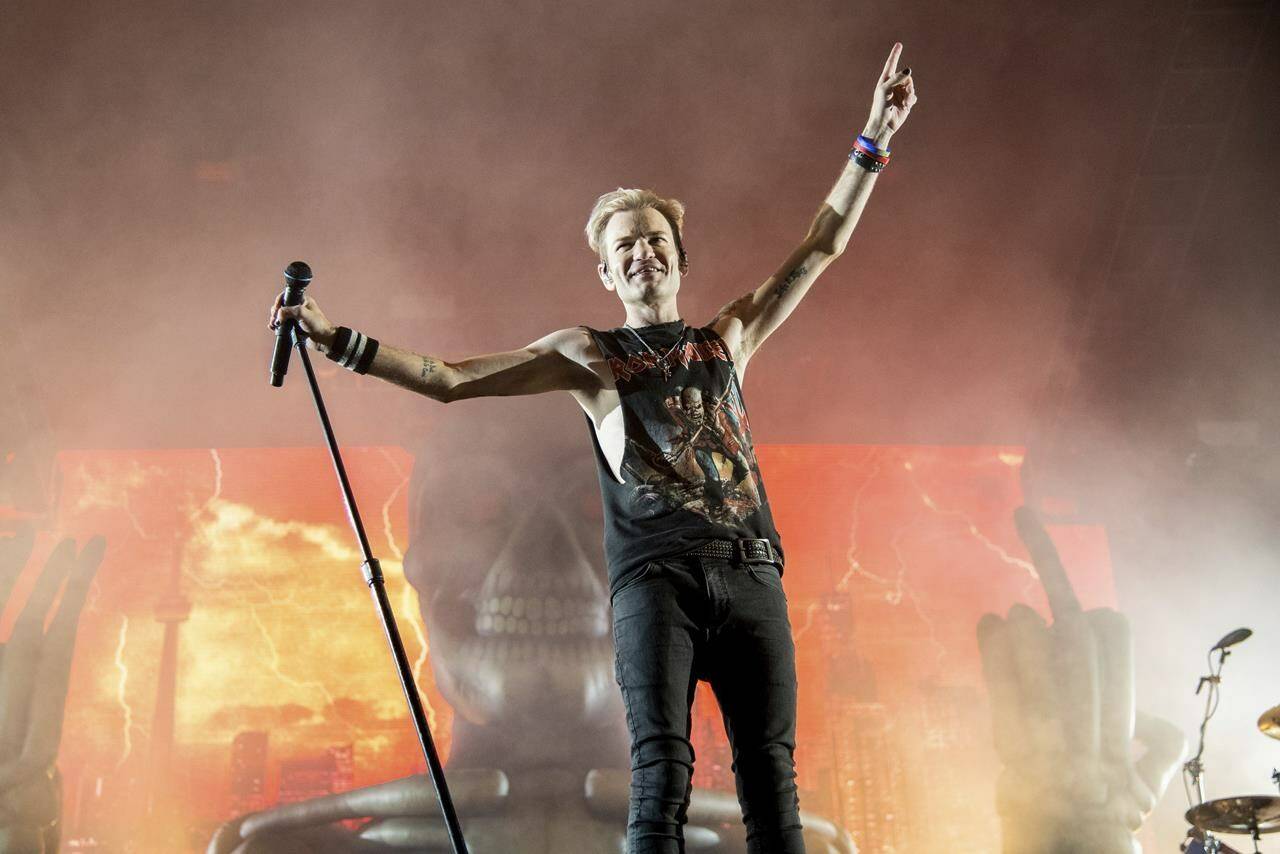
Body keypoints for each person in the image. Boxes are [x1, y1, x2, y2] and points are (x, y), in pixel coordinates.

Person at [270, 42, 916, 854]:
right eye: (624, 247)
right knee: (660, 779)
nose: (642, 252)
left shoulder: (729, 338)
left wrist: (872, 143)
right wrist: (338, 342)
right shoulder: (590, 356)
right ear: (607, 273)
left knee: (770, 780)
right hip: (657, 585)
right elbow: (451, 378)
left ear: (679, 258)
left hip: (749, 573)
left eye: (654, 239)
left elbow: (819, 247)